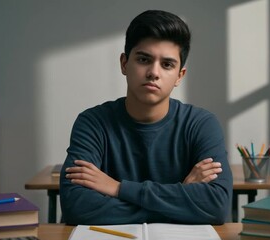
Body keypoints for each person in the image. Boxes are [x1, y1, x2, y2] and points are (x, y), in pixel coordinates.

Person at [60, 9, 232, 225]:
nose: (154, 72)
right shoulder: (92, 123)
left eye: (167, 64)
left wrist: (118, 188)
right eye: (143, 59)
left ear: (180, 75)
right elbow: (76, 206)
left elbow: (216, 206)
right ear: (124, 63)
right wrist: (180, 200)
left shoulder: (201, 124)